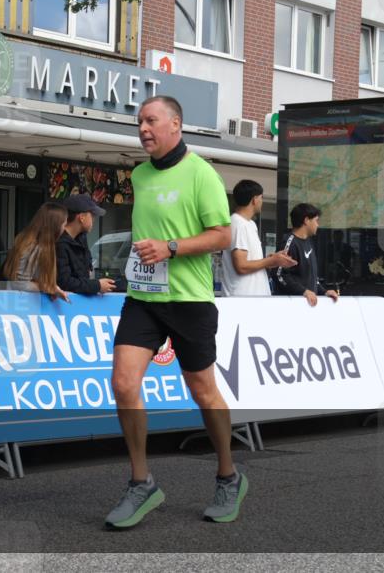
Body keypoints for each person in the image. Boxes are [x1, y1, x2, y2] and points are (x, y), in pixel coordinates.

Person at [106, 95, 244, 529]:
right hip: (145, 299)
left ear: (176, 124)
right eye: (139, 121)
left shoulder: (202, 173)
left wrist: (169, 248)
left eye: (151, 120)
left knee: (203, 392)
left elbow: (222, 236)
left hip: (190, 299)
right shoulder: (140, 174)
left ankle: (228, 476)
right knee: (123, 383)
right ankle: (141, 482)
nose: (143, 128)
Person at [220, 180, 296, 296]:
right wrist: (270, 260)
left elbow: (252, 261)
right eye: (261, 197)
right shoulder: (238, 223)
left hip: (254, 298)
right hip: (242, 300)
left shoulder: (250, 224)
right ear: (254, 200)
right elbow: (241, 266)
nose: (262, 201)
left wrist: (274, 259)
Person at [2, 201, 70, 302]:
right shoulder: (34, 246)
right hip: (20, 306)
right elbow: (20, 284)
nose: (64, 229)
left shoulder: (28, 241)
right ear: (55, 225)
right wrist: (48, 288)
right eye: (64, 224)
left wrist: (52, 288)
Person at [274, 203, 339, 307]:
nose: (318, 225)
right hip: (293, 306)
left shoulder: (309, 243)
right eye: (316, 221)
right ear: (306, 220)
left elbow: (310, 278)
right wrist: (303, 291)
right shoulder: (289, 242)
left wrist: (324, 291)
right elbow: (279, 275)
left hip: (308, 306)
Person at [56, 194, 117, 295]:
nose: (94, 219)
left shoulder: (81, 238)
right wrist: (97, 285)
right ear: (81, 217)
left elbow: (84, 274)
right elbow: (64, 282)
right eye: (92, 215)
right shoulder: (60, 244)